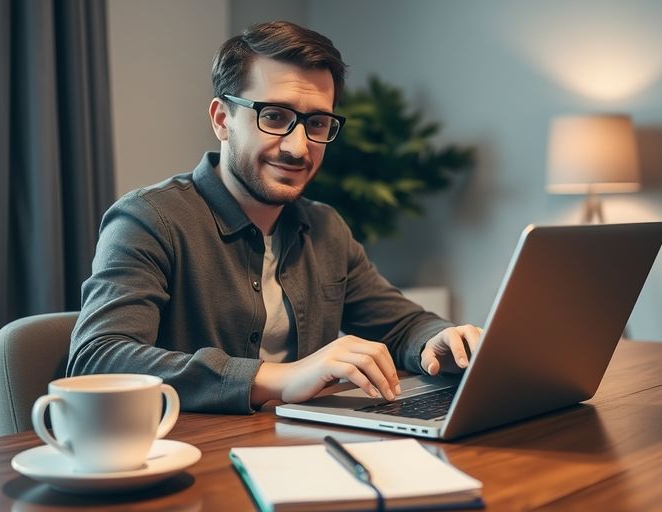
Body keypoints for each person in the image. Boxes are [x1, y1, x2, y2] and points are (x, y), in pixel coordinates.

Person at [67, 21, 481, 413]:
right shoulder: (149, 219)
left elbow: (401, 325)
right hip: (188, 460)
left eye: (316, 123)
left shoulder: (325, 228)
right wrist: (278, 378)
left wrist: (439, 340)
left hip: (301, 452)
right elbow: (99, 359)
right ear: (222, 119)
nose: (298, 147)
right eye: (275, 117)